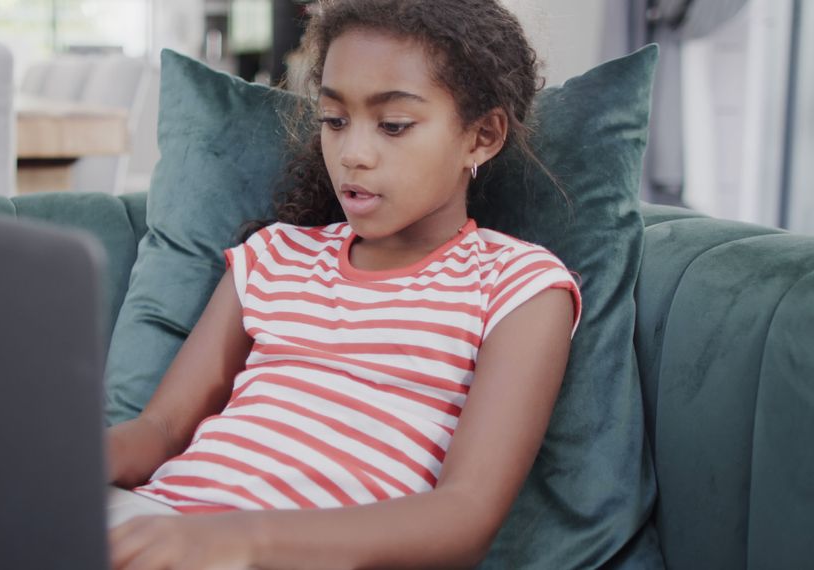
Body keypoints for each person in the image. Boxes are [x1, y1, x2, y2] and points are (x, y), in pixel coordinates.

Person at [107, 0, 582, 567]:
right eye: (334, 120)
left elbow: (466, 514)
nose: (352, 154)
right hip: (156, 526)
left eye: (394, 125)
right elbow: (159, 430)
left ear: (481, 136)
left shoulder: (517, 285)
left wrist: (235, 539)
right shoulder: (275, 254)